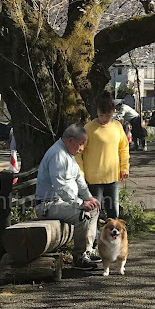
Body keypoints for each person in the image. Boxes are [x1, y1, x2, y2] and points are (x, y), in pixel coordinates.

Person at [34, 123, 102, 270]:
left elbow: (79, 180)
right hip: (47, 205)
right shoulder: (58, 155)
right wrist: (80, 204)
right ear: (70, 140)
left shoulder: (69, 155)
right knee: (82, 215)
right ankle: (78, 256)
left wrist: (89, 198)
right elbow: (61, 187)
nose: (82, 148)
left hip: (61, 202)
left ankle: (88, 251)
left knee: (94, 209)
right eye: (81, 144)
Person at [76, 96, 129, 221]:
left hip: (112, 177)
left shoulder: (117, 127)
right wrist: (81, 172)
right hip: (93, 178)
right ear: (97, 112)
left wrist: (124, 167)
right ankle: (93, 239)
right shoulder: (89, 128)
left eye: (107, 115)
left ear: (113, 112)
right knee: (93, 213)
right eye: (101, 115)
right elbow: (78, 152)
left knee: (113, 212)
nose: (104, 118)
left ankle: (114, 239)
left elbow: (124, 148)